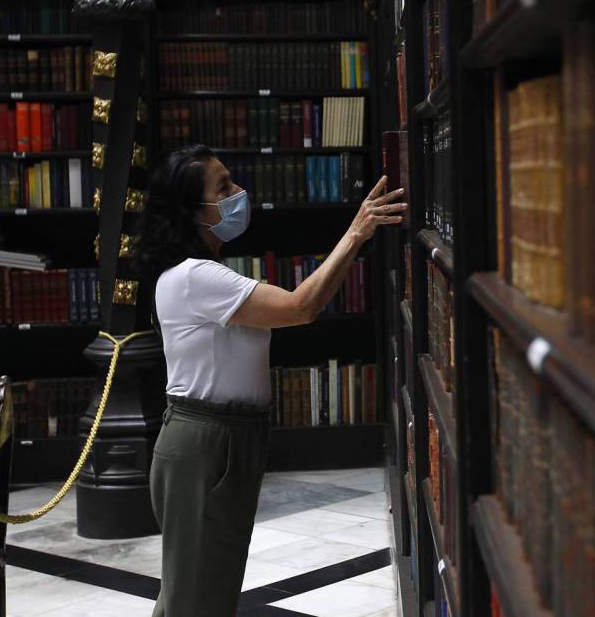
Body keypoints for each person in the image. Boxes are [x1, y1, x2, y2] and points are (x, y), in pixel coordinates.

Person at [134, 144, 405, 617]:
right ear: (194, 212)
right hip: (207, 442)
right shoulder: (196, 277)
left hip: (225, 439)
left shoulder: (201, 274)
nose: (239, 192)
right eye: (223, 188)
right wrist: (355, 233)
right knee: (196, 596)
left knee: (205, 588)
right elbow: (301, 306)